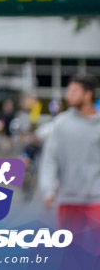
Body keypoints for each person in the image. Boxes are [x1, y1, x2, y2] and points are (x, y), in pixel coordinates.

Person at [39, 75, 100, 253]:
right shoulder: (61, 124)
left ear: (87, 95)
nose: (68, 96)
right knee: (70, 251)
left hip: (97, 198)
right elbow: (50, 159)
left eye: (74, 91)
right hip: (68, 198)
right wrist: (48, 188)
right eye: (68, 91)